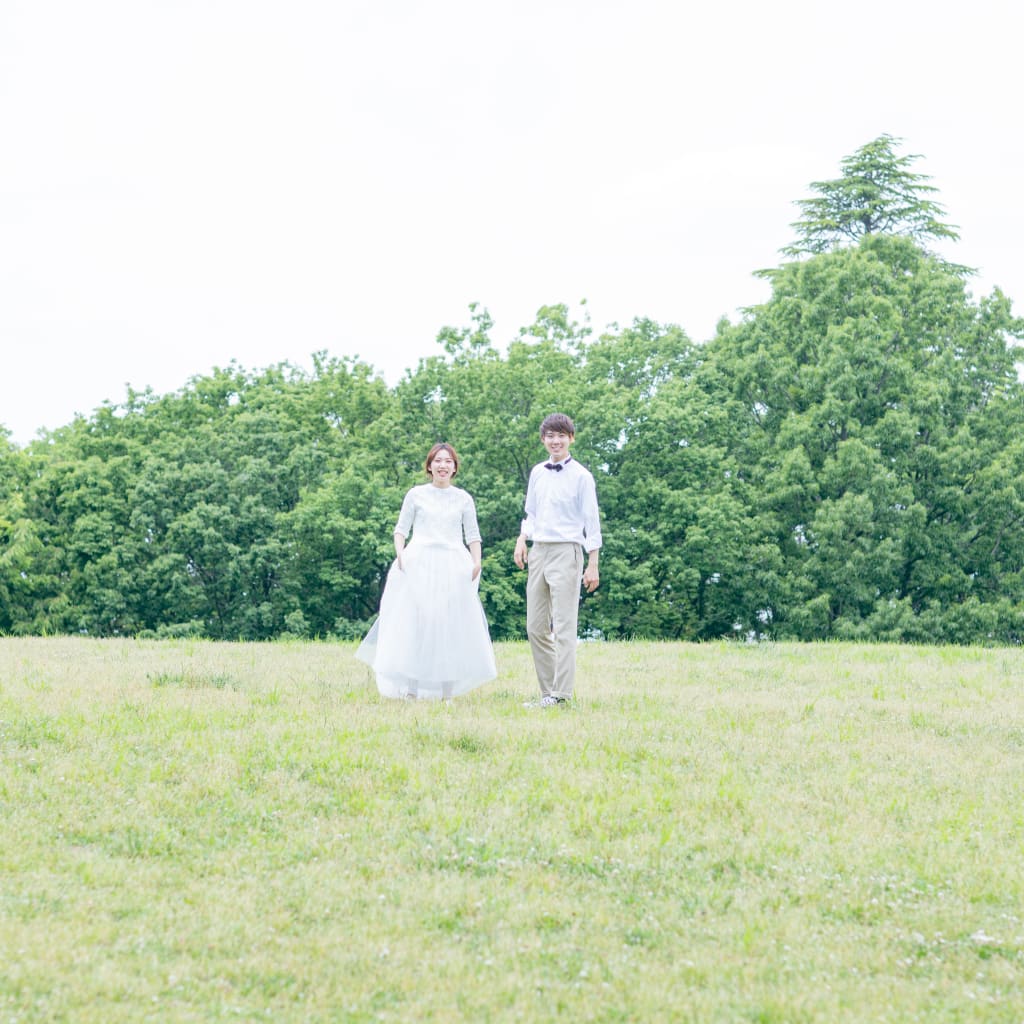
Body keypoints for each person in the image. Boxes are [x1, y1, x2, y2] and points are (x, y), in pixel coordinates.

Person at [356, 442, 497, 700]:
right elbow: (400, 530)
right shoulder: (416, 494)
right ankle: (411, 689)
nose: (443, 466)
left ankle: (447, 692)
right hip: (419, 562)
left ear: (454, 468)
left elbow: (473, 536)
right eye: (438, 461)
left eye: (448, 461)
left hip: (453, 565)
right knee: (417, 624)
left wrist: (477, 562)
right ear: (430, 466)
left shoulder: (464, 498)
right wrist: (401, 553)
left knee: (448, 626)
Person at [513, 413, 602, 707]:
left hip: (568, 551)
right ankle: (548, 692)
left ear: (571, 438)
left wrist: (593, 563)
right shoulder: (538, 472)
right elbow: (533, 513)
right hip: (539, 549)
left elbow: (592, 521)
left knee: (564, 626)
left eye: (561, 435)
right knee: (536, 627)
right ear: (543, 440)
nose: (556, 441)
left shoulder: (582, 476)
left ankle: (561, 696)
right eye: (550, 436)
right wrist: (521, 540)